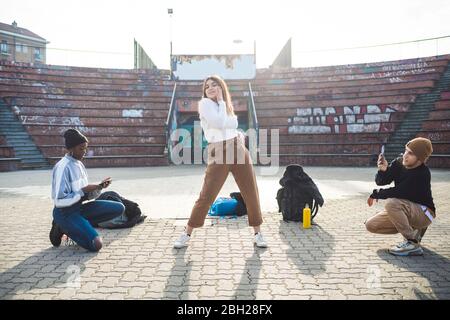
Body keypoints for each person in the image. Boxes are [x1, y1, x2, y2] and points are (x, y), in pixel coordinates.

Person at [173, 75, 267, 249]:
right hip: (218, 151)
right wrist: (223, 106)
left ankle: (258, 233)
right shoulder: (205, 104)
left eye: (214, 85)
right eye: (207, 86)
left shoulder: (225, 105)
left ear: (221, 87)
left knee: (251, 191)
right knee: (206, 195)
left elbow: (231, 124)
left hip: (238, 149)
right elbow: (219, 122)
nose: (210, 88)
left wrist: (234, 130)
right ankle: (186, 233)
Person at [49, 129, 125, 252]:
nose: (84, 152)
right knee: (96, 244)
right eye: (81, 149)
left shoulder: (79, 164)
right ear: (71, 149)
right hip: (65, 213)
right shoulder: (62, 167)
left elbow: (85, 193)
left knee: (119, 208)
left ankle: (78, 225)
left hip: (79, 208)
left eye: (85, 148)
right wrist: (82, 192)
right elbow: (59, 201)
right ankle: (63, 226)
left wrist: (99, 187)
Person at [365, 137, 435, 256]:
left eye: (411, 153)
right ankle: (413, 230)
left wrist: (376, 194)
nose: (405, 155)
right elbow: (382, 181)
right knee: (371, 225)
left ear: (420, 158)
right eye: (406, 151)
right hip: (405, 208)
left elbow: (399, 191)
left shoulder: (422, 173)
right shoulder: (399, 162)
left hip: (425, 213)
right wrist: (383, 170)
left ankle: (412, 243)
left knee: (392, 203)